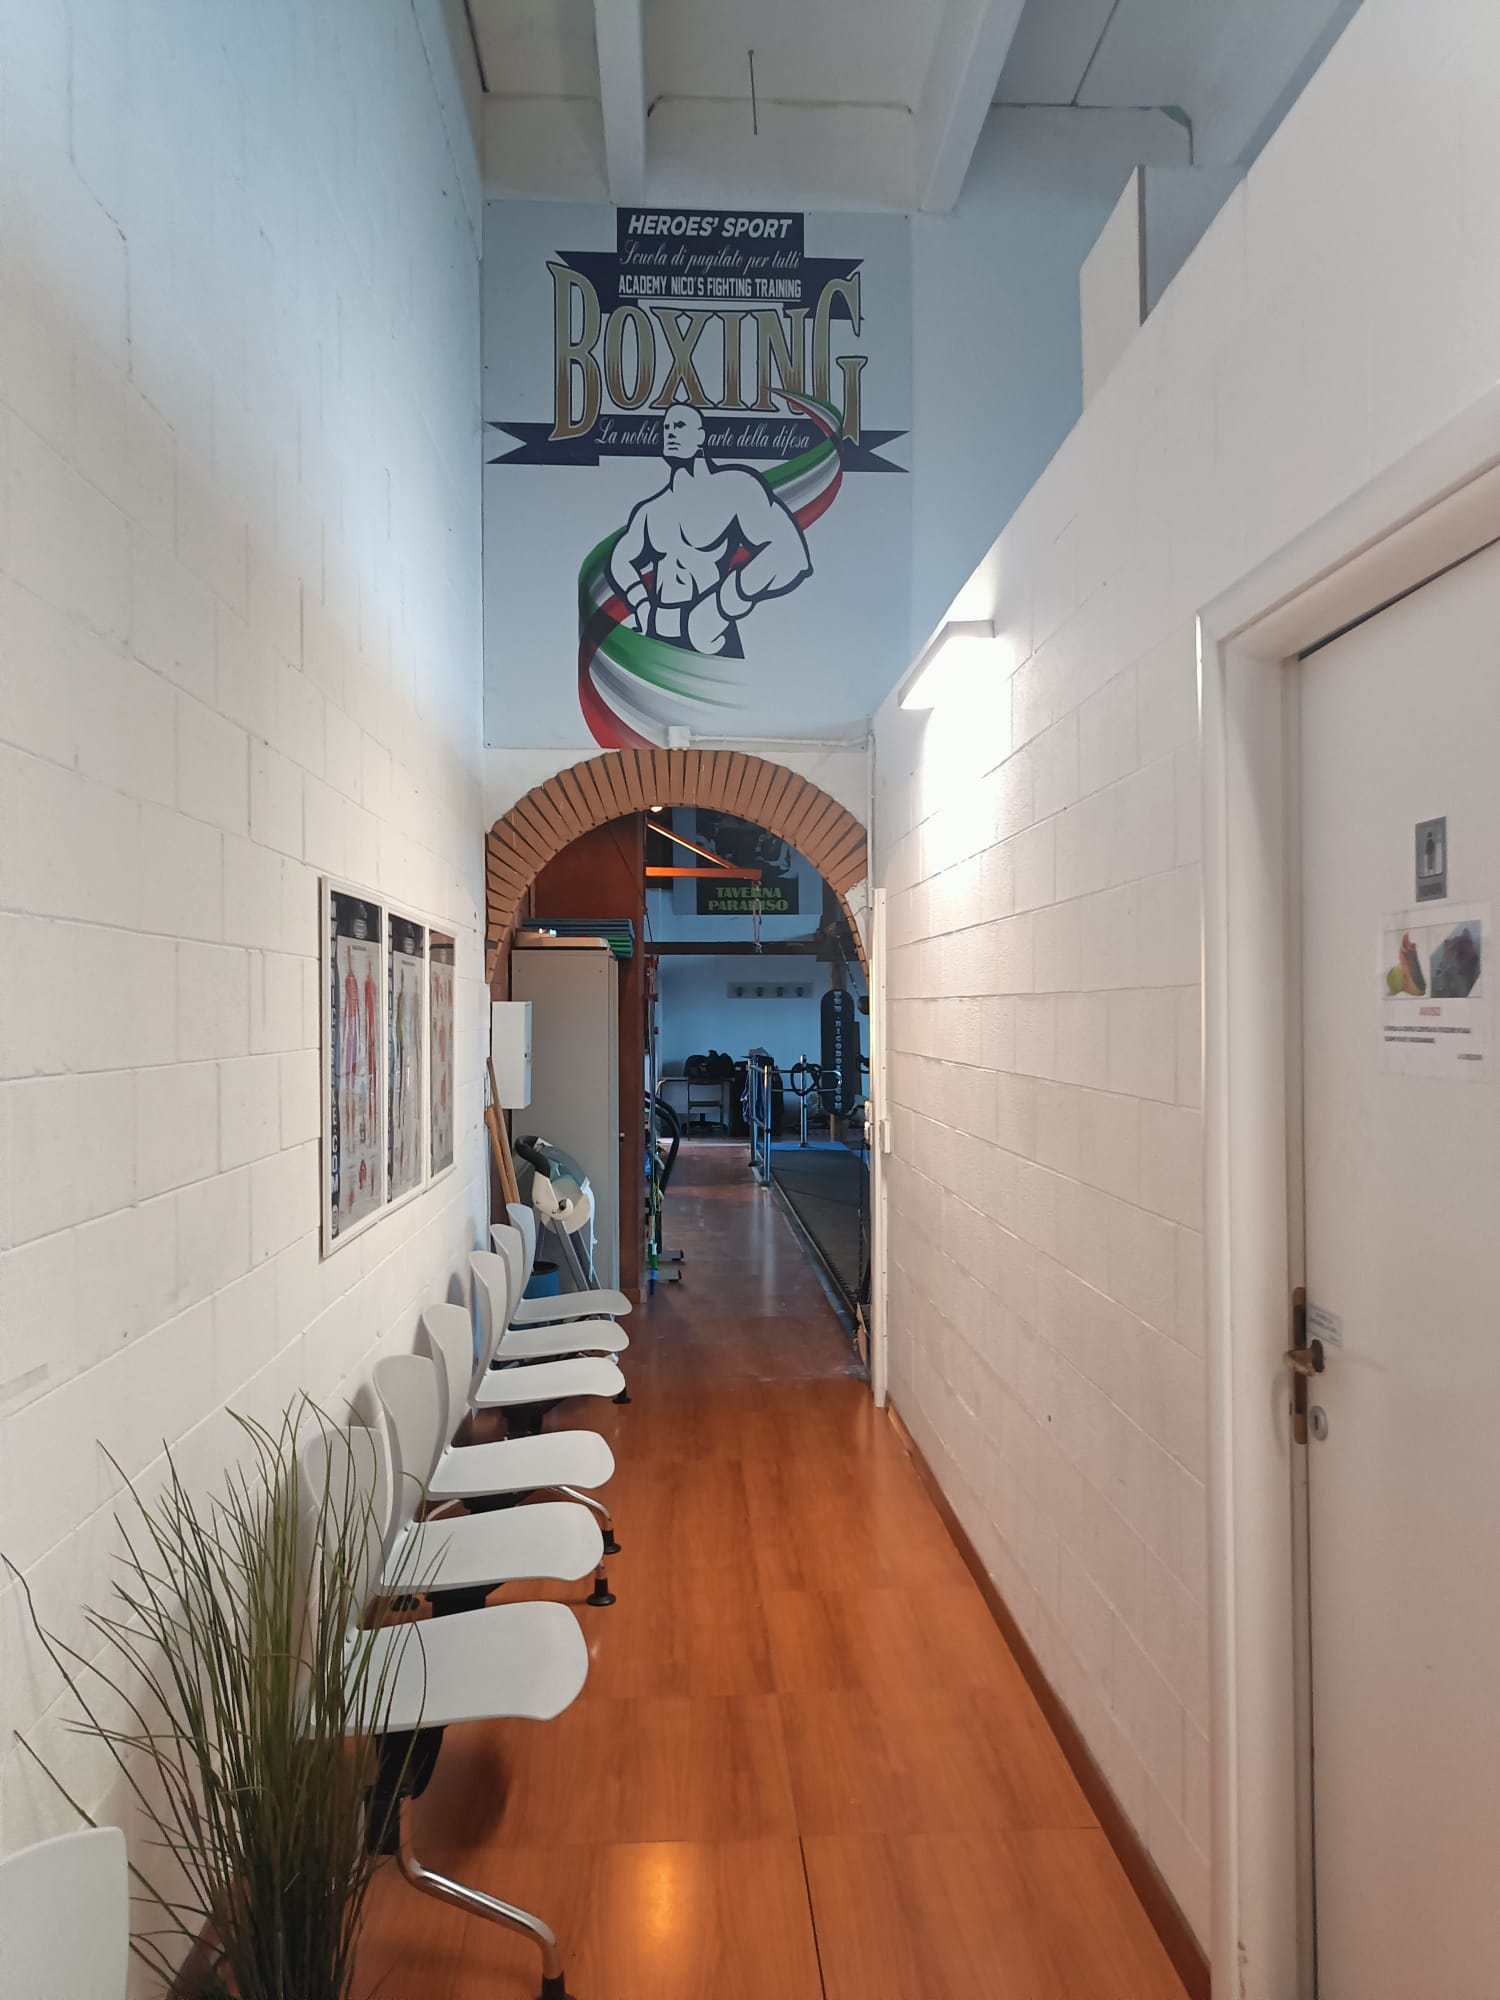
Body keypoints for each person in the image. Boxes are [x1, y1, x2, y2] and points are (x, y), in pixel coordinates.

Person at [609, 405, 811, 657]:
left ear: (700, 436)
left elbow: (789, 553)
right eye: (666, 427)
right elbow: (620, 560)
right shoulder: (652, 510)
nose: (670, 432)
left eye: (679, 425)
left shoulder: (734, 488)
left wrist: (721, 607)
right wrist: (640, 603)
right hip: (657, 634)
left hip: (711, 635)